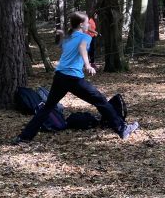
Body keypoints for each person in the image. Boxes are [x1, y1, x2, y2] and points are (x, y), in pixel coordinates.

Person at [13, 11, 138, 143]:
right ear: (81, 24)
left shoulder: (69, 37)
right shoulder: (85, 38)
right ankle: (122, 129)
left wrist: (64, 34)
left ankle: (24, 137)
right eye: (86, 23)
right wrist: (88, 65)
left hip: (60, 76)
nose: (88, 25)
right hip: (73, 79)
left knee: (47, 107)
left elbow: (68, 43)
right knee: (101, 100)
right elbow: (82, 48)